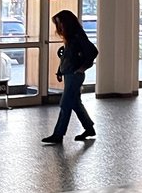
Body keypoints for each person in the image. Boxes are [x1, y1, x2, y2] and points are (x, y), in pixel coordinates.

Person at [42, 10, 99, 144]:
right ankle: (89, 128)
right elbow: (66, 57)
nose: (59, 27)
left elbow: (93, 51)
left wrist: (82, 68)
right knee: (75, 103)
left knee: (65, 103)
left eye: (59, 23)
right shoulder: (71, 37)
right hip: (70, 74)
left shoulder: (77, 35)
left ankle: (58, 134)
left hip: (74, 75)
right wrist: (60, 71)